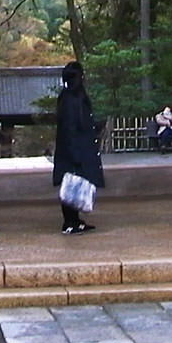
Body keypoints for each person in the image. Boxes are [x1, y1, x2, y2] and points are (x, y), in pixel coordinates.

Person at [51, 60, 104, 234]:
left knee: (76, 184)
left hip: (78, 147)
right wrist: (74, 154)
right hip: (73, 149)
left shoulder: (74, 97)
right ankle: (69, 222)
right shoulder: (70, 99)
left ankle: (75, 220)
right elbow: (69, 129)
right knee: (71, 185)